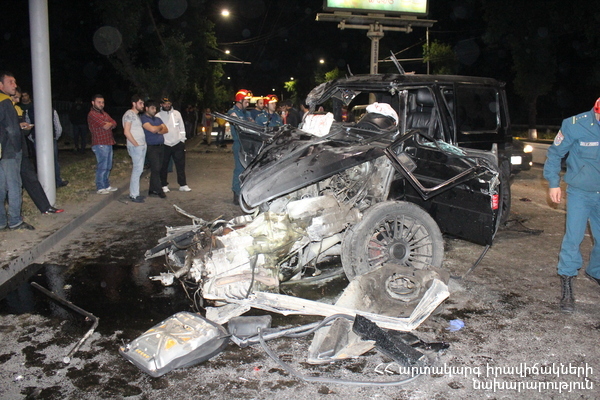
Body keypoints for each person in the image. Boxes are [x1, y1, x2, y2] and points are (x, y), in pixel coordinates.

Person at [544, 97, 600, 313]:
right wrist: (553, 183)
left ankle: (595, 271)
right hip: (579, 193)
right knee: (573, 238)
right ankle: (567, 282)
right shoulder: (575, 124)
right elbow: (555, 153)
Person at [12, 87, 63, 215]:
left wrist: (25, 129)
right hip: (8, 153)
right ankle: (13, 217)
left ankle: (45, 207)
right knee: (11, 184)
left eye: (19, 97)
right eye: (15, 97)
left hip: (21, 150)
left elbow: (22, 131)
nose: (18, 100)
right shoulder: (5, 107)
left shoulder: (18, 109)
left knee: (31, 179)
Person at [0, 71, 34, 230]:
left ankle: (1, 221)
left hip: (1, 150)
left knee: (1, 186)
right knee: (14, 185)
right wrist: (17, 148)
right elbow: (12, 129)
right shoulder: (6, 102)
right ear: (1, 85)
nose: (15, 85)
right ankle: (15, 220)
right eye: (11, 82)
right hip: (9, 150)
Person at [158, 97, 190, 193]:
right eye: (165, 104)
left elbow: (181, 127)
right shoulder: (158, 116)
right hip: (165, 144)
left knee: (180, 165)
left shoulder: (177, 113)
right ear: (161, 105)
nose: (167, 105)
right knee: (163, 166)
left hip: (177, 143)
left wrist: (182, 140)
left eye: (168, 103)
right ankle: (163, 184)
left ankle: (183, 184)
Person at [87, 94, 118, 194]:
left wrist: (109, 124)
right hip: (100, 143)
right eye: (99, 102)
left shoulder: (104, 113)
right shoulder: (92, 114)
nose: (101, 104)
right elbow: (105, 126)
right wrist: (109, 124)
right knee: (102, 166)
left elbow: (114, 123)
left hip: (108, 142)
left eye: (102, 102)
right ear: (93, 103)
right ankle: (100, 187)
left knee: (108, 165)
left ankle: (106, 185)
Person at [227, 89, 253, 205]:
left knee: (247, 170)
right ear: (240, 101)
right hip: (239, 144)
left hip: (248, 144)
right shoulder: (233, 112)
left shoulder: (246, 113)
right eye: (246, 101)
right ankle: (236, 193)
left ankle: (245, 193)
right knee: (239, 169)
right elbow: (239, 124)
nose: (248, 104)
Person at [140, 99, 168, 198]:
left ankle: (152, 190)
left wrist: (157, 129)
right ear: (146, 108)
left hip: (161, 146)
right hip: (151, 147)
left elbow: (166, 130)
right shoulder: (144, 118)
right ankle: (159, 190)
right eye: (152, 108)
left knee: (158, 169)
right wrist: (159, 127)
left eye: (155, 108)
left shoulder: (157, 119)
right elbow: (152, 129)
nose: (154, 110)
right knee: (155, 168)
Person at [122, 94, 146, 203]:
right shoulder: (129, 114)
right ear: (134, 103)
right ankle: (134, 195)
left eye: (143, 103)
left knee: (139, 170)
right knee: (137, 170)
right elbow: (126, 131)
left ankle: (136, 193)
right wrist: (136, 144)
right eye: (140, 103)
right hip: (136, 146)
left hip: (141, 145)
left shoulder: (136, 115)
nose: (142, 105)